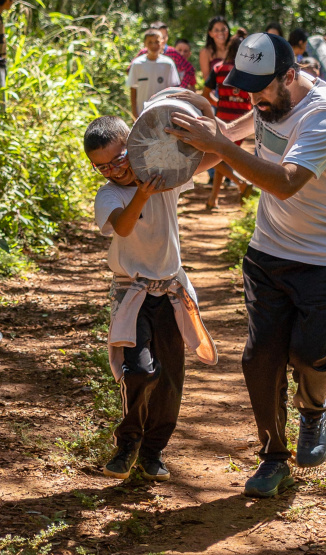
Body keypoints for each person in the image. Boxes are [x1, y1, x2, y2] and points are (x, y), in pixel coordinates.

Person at [167, 33, 326, 498]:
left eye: (262, 88)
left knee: (310, 353)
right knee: (261, 359)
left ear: (290, 76)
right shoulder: (267, 102)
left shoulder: (324, 114)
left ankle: (313, 411)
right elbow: (231, 139)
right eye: (248, 87)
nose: (253, 98)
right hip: (270, 251)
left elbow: (284, 183)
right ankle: (274, 456)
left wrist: (220, 144)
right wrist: (166, 171)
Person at [85, 115, 217, 482]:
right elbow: (123, 227)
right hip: (132, 292)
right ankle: (128, 443)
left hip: (171, 290)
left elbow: (210, 158)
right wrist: (141, 192)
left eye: (120, 157)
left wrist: (215, 138)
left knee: (172, 377)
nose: (113, 169)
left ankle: (153, 452)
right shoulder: (110, 194)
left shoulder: (165, 178)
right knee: (140, 371)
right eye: (102, 166)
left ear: (136, 146)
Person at [201, 36, 252, 209]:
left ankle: (241, 183)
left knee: (220, 156)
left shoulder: (219, 68)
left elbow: (205, 94)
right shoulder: (249, 71)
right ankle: (213, 199)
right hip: (243, 122)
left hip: (223, 119)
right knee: (221, 156)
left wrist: (219, 102)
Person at [127, 29, 180, 118]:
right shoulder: (137, 64)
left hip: (163, 114)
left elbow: (174, 90)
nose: (154, 45)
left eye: (157, 42)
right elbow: (133, 90)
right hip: (142, 114)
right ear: (145, 44)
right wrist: (134, 115)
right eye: (150, 42)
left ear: (162, 42)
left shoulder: (168, 64)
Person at [131, 22, 197, 90]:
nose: (161, 40)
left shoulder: (173, 53)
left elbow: (190, 69)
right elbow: (130, 69)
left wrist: (181, 87)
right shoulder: (143, 53)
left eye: (164, 37)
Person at [199, 16, 230, 81]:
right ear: (210, 33)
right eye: (216, 30)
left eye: (223, 29)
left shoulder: (235, 49)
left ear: (228, 30)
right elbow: (206, 78)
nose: (221, 33)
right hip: (216, 90)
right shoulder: (205, 52)